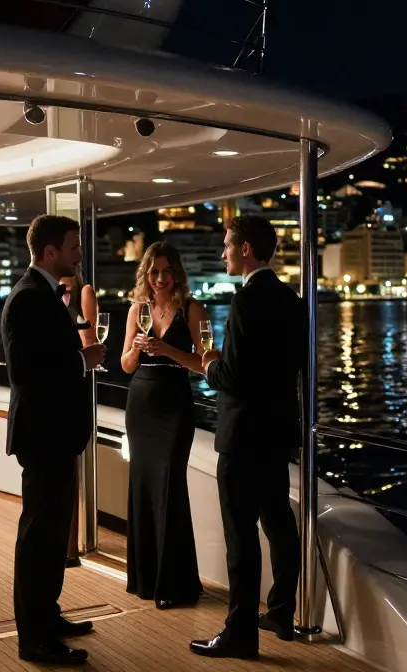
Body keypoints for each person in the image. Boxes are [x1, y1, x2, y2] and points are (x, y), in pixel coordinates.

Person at [190, 215, 304, 659]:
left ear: (247, 250)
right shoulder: (292, 301)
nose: (223, 253)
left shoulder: (245, 302)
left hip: (241, 438)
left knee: (240, 536)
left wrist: (210, 365)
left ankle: (240, 633)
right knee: (278, 522)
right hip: (276, 434)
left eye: (227, 246)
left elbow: (233, 376)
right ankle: (281, 611)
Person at [3, 215, 106, 665]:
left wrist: (77, 356)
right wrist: (84, 361)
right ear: (50, 252)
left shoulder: (45, 295)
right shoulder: (28, 299)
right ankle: (34, 639)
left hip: (56, 434)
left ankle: (49, 615)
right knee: (38, 537)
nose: (79, 253)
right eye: (73, 245)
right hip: (44, 435)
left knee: (50, 534)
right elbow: (26, 373)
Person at [119, 242, 207, 609]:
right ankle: (145, 579)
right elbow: (125, 364)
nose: (159, 278)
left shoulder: (192, 308)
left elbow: (206, 362)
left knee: (169, 487)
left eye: (166, 271)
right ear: (146, 274)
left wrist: (168, 350)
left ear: (176, 274)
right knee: (142, 489)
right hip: (140, 404)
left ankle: (174, 583)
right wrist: (139, 349)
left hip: (174, 407)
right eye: (153, 271)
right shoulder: (136, 310)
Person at [60, 271, 97, 568]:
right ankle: (64, 547)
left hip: (75, 381)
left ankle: (71, 548)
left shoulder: (84, 291)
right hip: (59, 383)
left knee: (69, 467)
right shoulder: (51, 292)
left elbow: (90, 340)